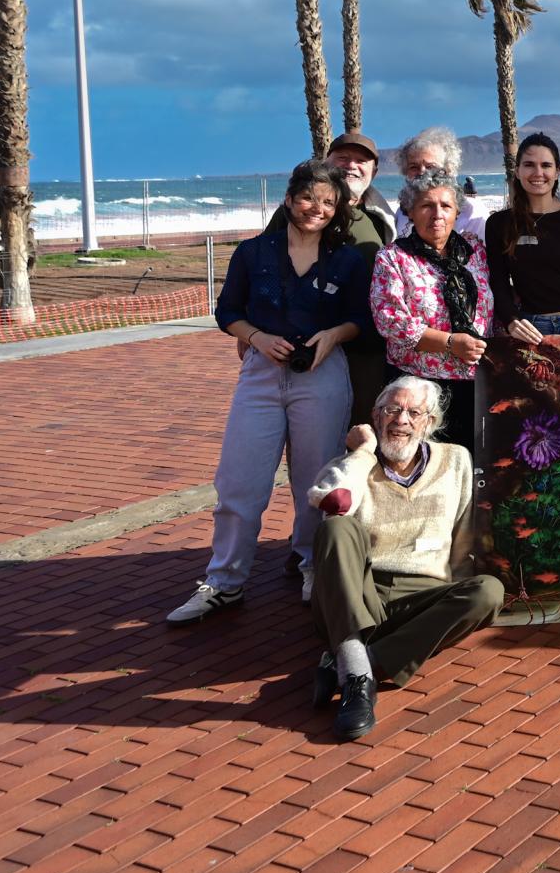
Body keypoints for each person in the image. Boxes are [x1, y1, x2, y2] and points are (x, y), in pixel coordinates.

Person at [168, 160, 371, 625]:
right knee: (239, 482)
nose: (316, 208)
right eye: (308, 198)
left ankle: (312, 568)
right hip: (260, 375)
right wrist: (257, 338)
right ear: (288, 199)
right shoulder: (253, 252)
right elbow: (228, 312)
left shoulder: (346, 258)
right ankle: (223, 581)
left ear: (336, 208)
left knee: (315, 484)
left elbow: (361, 318)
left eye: (327, 202)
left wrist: (333, 335)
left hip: (320, 376)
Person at [306, 376, 505, 741]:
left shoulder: (455, 460)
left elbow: (463, 536)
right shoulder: (351, 466)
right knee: (335, 529)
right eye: (392, 410)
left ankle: (355, 662)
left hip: (423, 595)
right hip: (359, 590)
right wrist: (362, 453)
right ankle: (356, 678)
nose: (402, 419)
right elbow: (333, 501)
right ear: (375, 417)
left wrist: (452, 604)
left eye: (415, 412)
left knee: (488, 592)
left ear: (430, 423)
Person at [370, 169, 493, 442]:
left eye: (445, 206)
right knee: (423, 471)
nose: (437, 214)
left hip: (476, 383)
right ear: (410, 211)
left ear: (457, 212)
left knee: (471, 468)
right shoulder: (394, 257)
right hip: (417, 388)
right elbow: (390, 320)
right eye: (426, 205)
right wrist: (450, 342)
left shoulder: (475, 251)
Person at [484, 133, 560, 343]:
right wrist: (511, 321)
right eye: (529, 165)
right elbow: (498, 283)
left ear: (558, 171)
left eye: (546, 165)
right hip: (529, 329)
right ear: (517, 171)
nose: (538, 173)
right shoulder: (499, 224)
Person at [325, 132, 395, 459]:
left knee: (364, 443)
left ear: (373, 172)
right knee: (320, 448)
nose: (351, 166)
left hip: (369, 351)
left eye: (361, 161)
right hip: (319, 350)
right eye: (343, 158)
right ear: (327, 162)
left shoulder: (380, 217)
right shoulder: (302, 210)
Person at [395, 126, 487, 243]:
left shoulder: (471, 210)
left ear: (449, 169)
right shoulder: (402, 212)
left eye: (430, 166)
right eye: (414, 167)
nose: (422, 172)